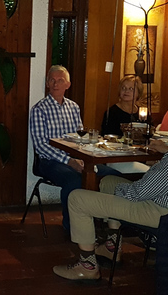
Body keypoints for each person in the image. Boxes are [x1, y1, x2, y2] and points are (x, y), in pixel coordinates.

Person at [52, 92, 168, 281]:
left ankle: (86, 266)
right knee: (107, 181)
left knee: (78, 198)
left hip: (164, 213)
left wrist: (119, 192)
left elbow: (139, 193)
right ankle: (111, 247)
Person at [29, 66, 119, 232]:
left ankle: (111, 225)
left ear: (68, 84)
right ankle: (73, 227)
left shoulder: (74, 107)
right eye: (52, 80)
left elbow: (80, 138)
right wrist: (70, 161)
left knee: (113, 177)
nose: (56, 84)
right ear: (47, 84)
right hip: (50, 161)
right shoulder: (39, 109)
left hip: (76, 157)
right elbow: (41, 145)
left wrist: (90, 152)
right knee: (75, 182)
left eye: (60, 80)